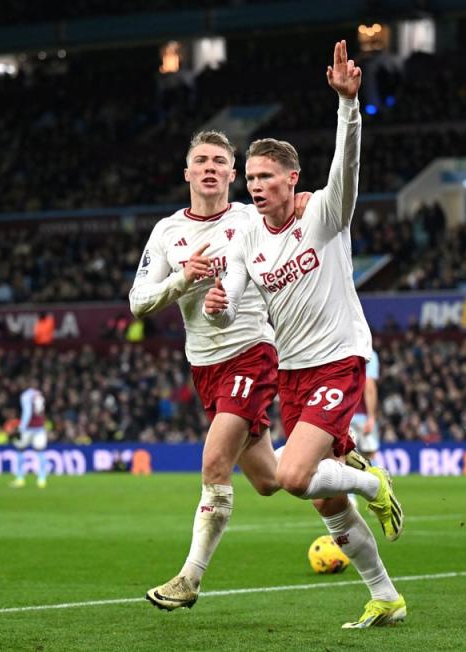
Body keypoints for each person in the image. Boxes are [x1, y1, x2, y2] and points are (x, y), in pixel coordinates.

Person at [204, 40, 406, 629]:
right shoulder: (247, 239)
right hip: (292, 373)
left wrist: (349, 104)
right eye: (253, 177)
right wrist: (219, 304)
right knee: (323, 498)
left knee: (292, 476)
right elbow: (235, 298)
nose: (257, 185)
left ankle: (371, 479)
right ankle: (386, 596)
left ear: (292, 179)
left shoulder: (322, 214)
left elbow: (348, 165)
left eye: (268, 176)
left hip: (339, 360)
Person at [130, 109, 314, 611]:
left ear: (233, 174)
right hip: (204, 366)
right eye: (200, 161)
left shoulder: (252, 217)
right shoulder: (167, 232)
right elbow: (138, 302)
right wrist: (182, 279)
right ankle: (350, 469)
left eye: (219, 161)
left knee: (214, 462)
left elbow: (299, 227)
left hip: (251, 353)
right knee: (272, 480)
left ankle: (188, 579)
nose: (210, 167)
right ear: (186, 173)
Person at [10, 386, 49, 489]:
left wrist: (21, 428)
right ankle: (42, 479)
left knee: (20, 450)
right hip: (40, 428)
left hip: (28, 428)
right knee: (40, 453)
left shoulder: (26, 395)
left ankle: (20, 478)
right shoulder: (39, 395)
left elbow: (27, 412)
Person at [349, 349, 380, 461]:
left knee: (345, 458)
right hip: (362, 416)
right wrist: (371, 416)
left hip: (342, 415)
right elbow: (369, 386)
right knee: (370, 455)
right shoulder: (368, 354)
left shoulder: (340, 351)